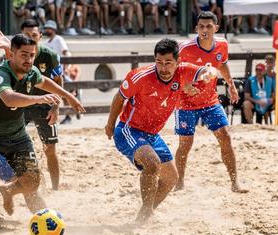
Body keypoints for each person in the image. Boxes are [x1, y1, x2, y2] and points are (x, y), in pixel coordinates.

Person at [0, 34, 85, 228]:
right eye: (24, 55)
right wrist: (39, 99)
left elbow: (45, 82)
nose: (29, 59)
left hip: (16, 135)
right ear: (11, 54)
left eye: (32, 55)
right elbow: (9, 98)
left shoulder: (31, 71)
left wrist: (69, 97)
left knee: (32, 181)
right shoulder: (1, 73)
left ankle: (9, 192)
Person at [105, 38, 216, 223]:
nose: (163, 68)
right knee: (152, 163)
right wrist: (110, 124)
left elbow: (210, 69)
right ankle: (147, 211)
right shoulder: (139, 76)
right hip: (128, 130)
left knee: (172, 177)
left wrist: (208, 74)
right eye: (159, 62)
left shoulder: (183, 71)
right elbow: (119, 98)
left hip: (152, 135)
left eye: (168, 63)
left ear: (177, 62)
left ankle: (144, 213)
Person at [174, 11, 247, 193]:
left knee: (225, 137)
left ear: (216, 28)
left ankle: (234, 182)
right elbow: (171, 71)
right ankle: (179, 181)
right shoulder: (185, 48)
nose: (204, 30)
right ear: (196, 28)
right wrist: (184, 87)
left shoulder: (222, 44)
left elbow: (221, 64)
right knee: (186, 143)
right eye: (201, 26)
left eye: (208, 26)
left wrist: (231, 85)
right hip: (185, 103)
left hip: (210, 101)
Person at [0, 19, 64, 193]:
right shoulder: (13, 54)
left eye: (34, 35)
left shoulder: (49, 55)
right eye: (27, 35)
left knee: (50, 149)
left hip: (45, 105)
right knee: (8, 144)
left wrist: (56, 107)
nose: (31, 38)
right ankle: (9, 182)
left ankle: (55, 188)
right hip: (21, 104)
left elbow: (58, 81)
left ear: (40, 36)